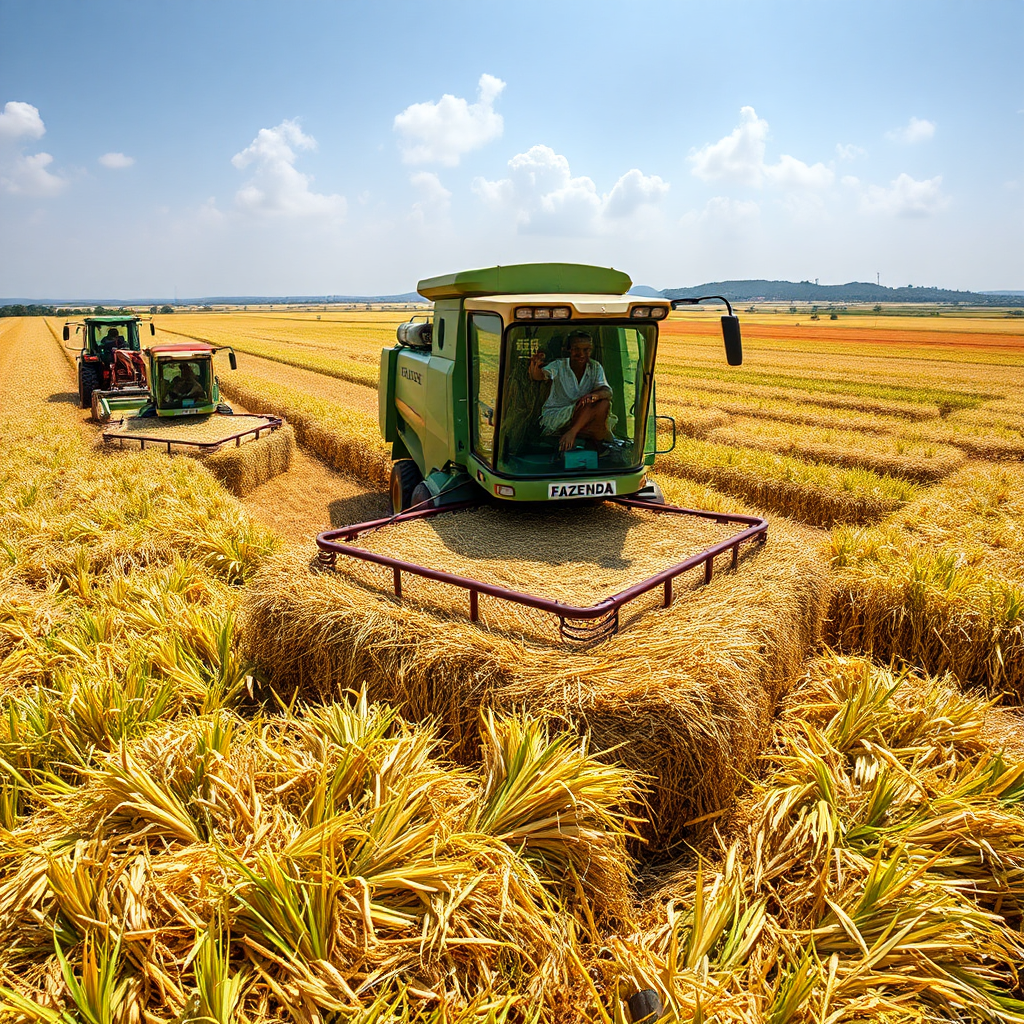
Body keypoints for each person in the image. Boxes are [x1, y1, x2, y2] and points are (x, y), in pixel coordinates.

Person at [528, 330, 614, 452]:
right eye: (576, 349)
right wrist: (536, 364)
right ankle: (581, 436)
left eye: (586, 350)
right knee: (595, 410)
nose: (581, 354)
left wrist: (595, 396)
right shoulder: (558, 366)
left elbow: (607, 392)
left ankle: (578, 433)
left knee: (603, 403)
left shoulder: (595, 367)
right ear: (567, 350)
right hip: (558, 415)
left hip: (584, 412)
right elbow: (539, 376)